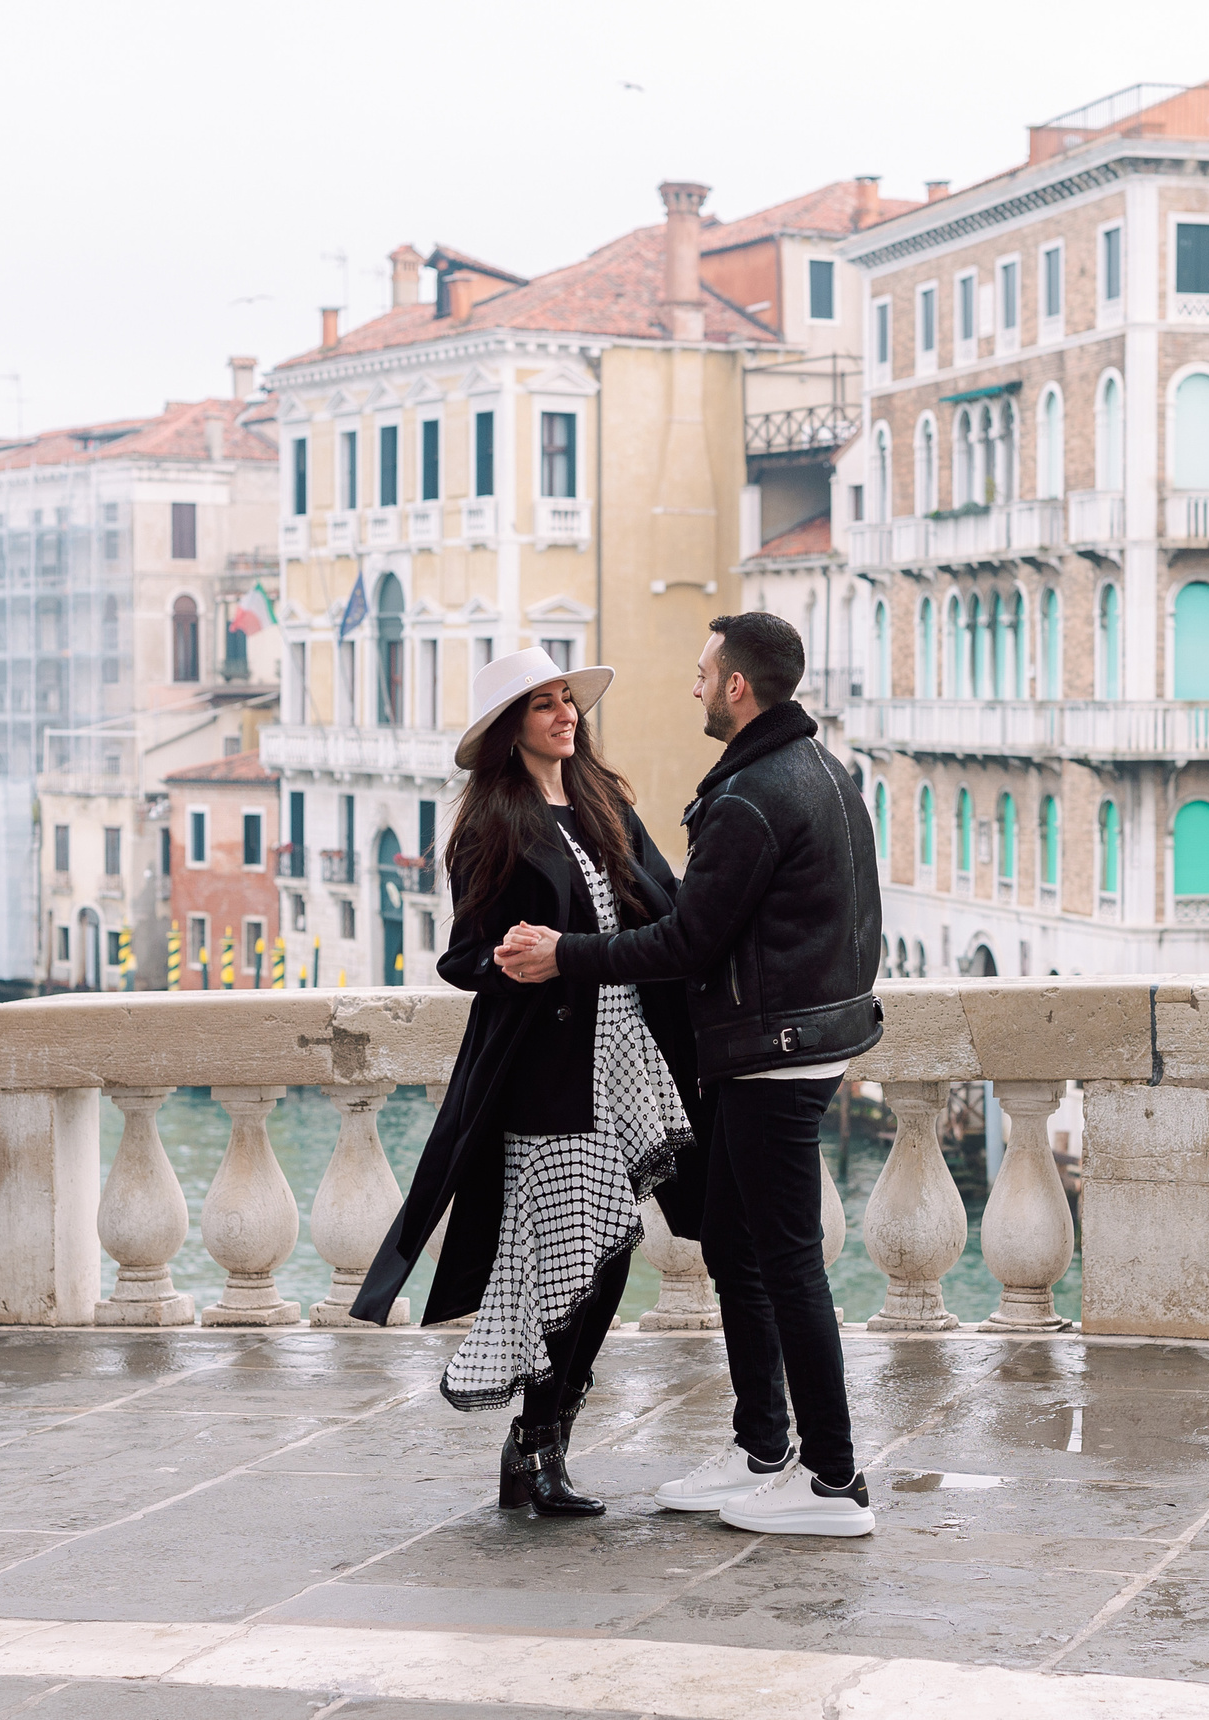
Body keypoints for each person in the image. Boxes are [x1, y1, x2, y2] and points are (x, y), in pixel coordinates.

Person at [494, 611, 884, 1537]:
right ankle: (761, 1451)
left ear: (739, 686)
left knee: (786, 1264)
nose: (696, 685)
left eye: (705, 672)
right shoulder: (823, 771)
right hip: (808, 1038)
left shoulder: (752, 795)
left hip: (772, 1055)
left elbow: (689, 938)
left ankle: (831, 1483)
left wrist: (565, 954)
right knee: (737, 1246)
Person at [349, 646, 702, 1520]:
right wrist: (514, 963)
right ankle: (535, 1449)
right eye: (543, 705)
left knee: (612, 1255)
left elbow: (667, 899)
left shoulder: (604, 803)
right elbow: (465, 955)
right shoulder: (492, 824)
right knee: (571, 1259)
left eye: (566, 701)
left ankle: (543, 1440)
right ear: (513, 729)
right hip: (547, 1069)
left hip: (627, 1055)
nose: (564, 715)